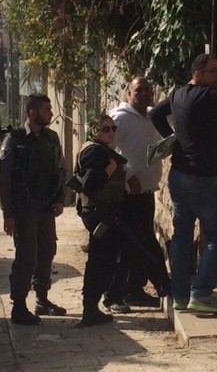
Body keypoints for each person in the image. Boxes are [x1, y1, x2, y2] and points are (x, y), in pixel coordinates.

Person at [149, 44, 217, 314]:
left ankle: (179, 296)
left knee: (181, 237)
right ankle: (200, 294)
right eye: (214, 71)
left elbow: (155, 114)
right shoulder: (207, 97)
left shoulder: (178, 94)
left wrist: (172, 138)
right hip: (202, 180)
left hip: (178, 177)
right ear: (198, 74)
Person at [0, 93, 67, 325]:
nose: (50, 114)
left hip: (46, 209)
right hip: (24, 210)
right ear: (32, 112)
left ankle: (42, 300)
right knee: (27, 257)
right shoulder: (14, 140)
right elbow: (4, 180)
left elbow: (61, 170)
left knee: (47, 252)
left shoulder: (51, 138)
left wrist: (60, 199)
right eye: (46, 110)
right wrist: (8, 214)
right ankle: (19, 306)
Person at [104, 77, 171, 313]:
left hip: (146, 191)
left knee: (139, 242)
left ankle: (134, 290)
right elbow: (106, 149)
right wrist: (127, 175)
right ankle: (114, 296)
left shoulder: (152, 116)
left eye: (147, 90)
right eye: (138, 90)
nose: (144, 94)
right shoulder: (120, 118)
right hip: (127, 193)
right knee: (127, 244)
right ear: (128, 94)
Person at [74, 114, 128, 326]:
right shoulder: (94, 152)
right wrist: (109, 169)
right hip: (99, 214)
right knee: (100, 261)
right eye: (105, 129)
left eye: (113, 128)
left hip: (104, 212)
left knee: (104, 260)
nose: (111, 132)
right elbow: (90, 183)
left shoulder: (100, 149)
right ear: (94, 131)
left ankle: (92, 307)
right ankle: (90, 308)